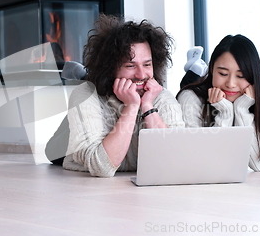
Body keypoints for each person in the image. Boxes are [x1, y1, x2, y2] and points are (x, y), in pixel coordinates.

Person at [61, 14, 184, 177]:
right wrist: (131, 107)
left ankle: (85, 73)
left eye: (147, 64)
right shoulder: (84, 95)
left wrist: (147, 107)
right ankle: (85, 75)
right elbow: (102, 167)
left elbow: (178, 161)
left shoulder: (162, 96)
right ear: (111, 67)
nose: (141, 74)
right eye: (130, 65)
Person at [177, 34, 260, 172]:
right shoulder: (190, 99)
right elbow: (204, 163)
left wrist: (241, 110)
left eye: (241, 76)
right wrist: (225, 113)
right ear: (212, 69)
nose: (231, 84)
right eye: (223, 74)